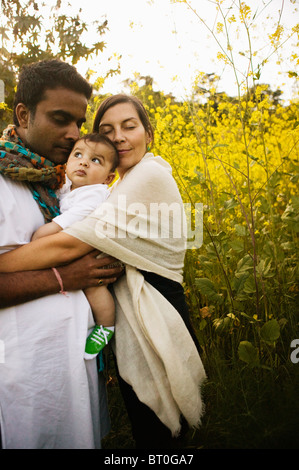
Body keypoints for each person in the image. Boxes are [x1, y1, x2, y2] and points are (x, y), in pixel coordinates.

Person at [0, 94, 206, 449]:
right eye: (108, 130)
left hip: (158, 315)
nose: (120, 137)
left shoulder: (149, 176)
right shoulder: (116, 185)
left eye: (130, 126)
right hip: (135, 321)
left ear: (149, 133)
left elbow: (69, 245)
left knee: (162, 436)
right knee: (148, 430)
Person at [0, 60, 123, 449]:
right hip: (23, 379)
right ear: (23, 114)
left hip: (70, 368)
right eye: (60, 119)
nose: (73, 135)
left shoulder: (61, 182)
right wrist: (66, 278)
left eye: (78, 122)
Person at [32, 132, 119, 359]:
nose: (84, 162)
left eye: (95, 160)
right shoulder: (68, 186)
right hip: (72, 244)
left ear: (108, 178)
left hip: (92, 249)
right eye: (78, 154)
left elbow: (71, 219)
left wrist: (42, 234)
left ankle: (106, 325)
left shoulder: (95, 193)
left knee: (94, 287)